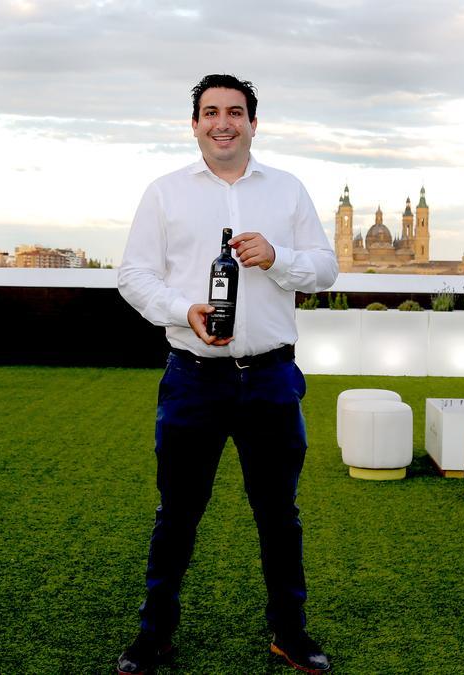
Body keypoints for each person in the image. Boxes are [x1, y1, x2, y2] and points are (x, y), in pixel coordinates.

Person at [115, 74, 339, 674]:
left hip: (270, 378)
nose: (222, 123)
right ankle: (154, 634)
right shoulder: (164, 193)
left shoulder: (287, 191)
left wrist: (279, 258)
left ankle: (289, 632)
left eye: (234, 112)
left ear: (253, 123)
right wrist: (183, 312)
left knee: (279, 514)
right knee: (177, 513)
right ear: (194, 124)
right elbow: (133, 276)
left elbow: (325, 269)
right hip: (194, 376)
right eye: (210, 112)